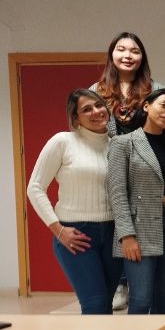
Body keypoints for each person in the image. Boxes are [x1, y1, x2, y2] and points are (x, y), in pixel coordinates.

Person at [90, 32, 165, 310]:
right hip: (109, 167)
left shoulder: (155, 89)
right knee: (117, 222)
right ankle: (121, 281)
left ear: (142, 56)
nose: (127, 55)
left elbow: (164, 130)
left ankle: (147, 283)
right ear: (111, 54)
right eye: (121, 49)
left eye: (134, 51)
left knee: (144, 228)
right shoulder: (96, 91)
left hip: (145, 170)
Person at [26, 89, 122, 314]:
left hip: (113, 233)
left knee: (106, 305)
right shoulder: (63, 142)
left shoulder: (117, 145)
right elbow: (35, 187)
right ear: (76, 118)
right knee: (95, 304)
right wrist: (58, 230)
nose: (96, 111)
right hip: (76, 234)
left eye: (98, 105)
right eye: (86, 109)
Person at [106, 89, 165, 315]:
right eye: (164, 105)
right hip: (139, 227)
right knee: (141, 298)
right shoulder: (123, 143)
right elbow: (117, 192)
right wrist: (126, 236)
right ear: (146, 106)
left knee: (163, 296)